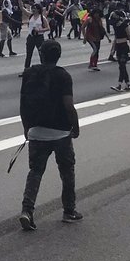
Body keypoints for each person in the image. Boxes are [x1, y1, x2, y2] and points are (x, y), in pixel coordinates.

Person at [18, 40, 82, 230]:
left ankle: (27, 210)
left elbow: (22, 103)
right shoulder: (63, 75)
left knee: (35, 172)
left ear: (40, 53)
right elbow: (69, 106)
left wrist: (26, 127)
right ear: (59, 55)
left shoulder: (29, 73)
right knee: (67, 171)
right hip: (61, 132)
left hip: (36, 131)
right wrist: (75, 127)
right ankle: (69, 211)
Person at [110, 14, 130, 92]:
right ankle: (128, 84)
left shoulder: (124, 25)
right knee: (122, 66)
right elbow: (115, 38)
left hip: (124, 47)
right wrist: (112, 50)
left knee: (122, 66)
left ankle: (119, 85)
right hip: (118, 47)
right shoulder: (115, 26)